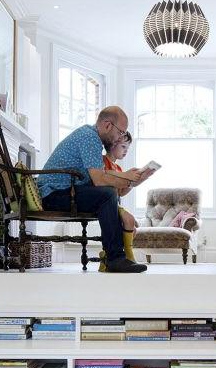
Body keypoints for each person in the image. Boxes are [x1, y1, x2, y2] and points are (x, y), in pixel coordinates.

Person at [37, 106, 153, 273]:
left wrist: (132, 181)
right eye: (120, 132)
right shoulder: (90, 138)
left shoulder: (90, 136)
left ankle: (114, 257)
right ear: (107, 125)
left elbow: (101, 177)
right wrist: (127, 178)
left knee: (107, 194)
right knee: (107, 195)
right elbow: (100, 180)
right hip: (55, 194)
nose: (120, 137)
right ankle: (115, 258)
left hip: (63, 191)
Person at [99, 131, 139, 270]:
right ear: (113, 144)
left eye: (127, 148)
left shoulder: (119, 168)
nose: (126, 151)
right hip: (106, 204)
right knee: (129, 220)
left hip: (115, 203)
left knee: (133, 230)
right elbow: (101, 176)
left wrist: (132, 183)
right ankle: (128, 256)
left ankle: (106, 257)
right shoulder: (103, 161)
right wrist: (124, 176)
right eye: (123, 147)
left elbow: (121, 192)